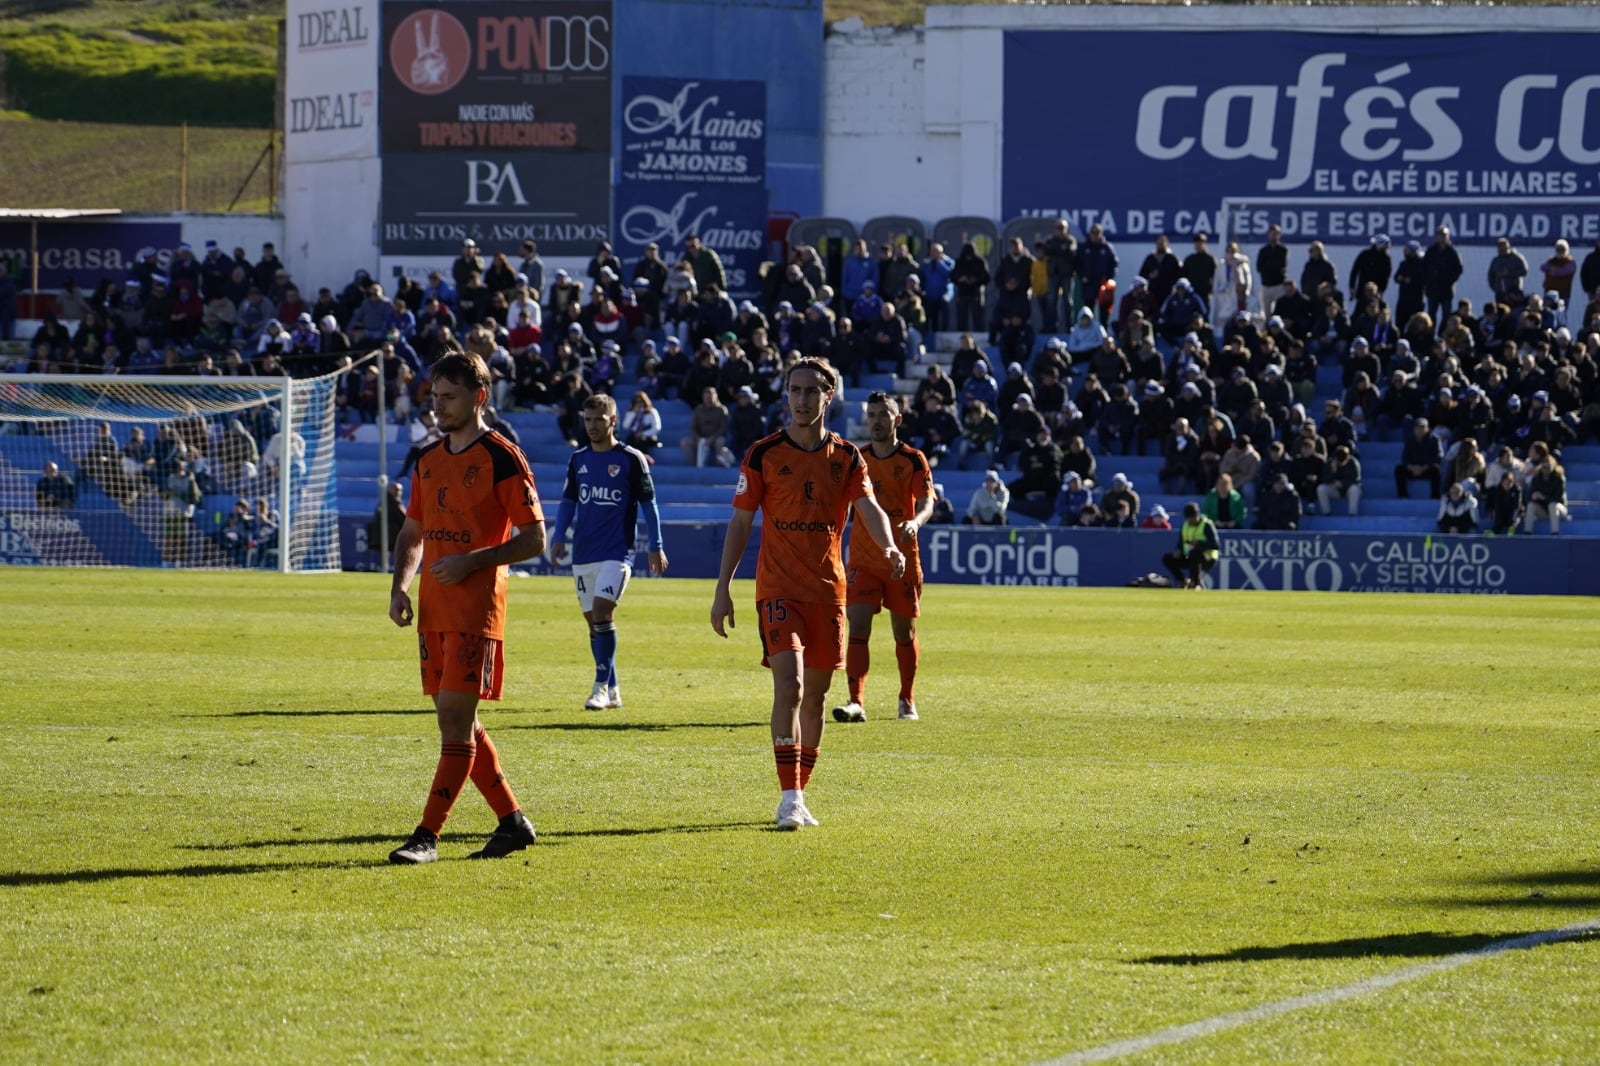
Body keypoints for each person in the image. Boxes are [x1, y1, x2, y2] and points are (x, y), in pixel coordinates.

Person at [710, 358, 905, 831]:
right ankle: (788, 797)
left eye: (810, 391)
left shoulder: (847, 457)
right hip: (778, 590)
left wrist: (889, 544)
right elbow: (740, 523)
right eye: (793, 391)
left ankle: (801, 790)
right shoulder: (763, 454)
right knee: (791, 686)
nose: (800, 400)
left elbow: (869, 507)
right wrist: (723, 589)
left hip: (828, 592)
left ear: (828, 396)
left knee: (816, 697)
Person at [385, 352, 547, 865]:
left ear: (479, 397)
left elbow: (535, 538)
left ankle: (427, 836)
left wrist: (475, 560)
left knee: (456, 720)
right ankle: (512, 821)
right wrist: (400, 586)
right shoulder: (428, 460)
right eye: (434, 397)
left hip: (478, 611)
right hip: (434, 610)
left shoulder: (503, 457)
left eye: (448, 397)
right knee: (456, 722)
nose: (438, 407)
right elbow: (413, 530)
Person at [550, 394, 668, 711]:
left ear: (613, 420)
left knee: (602, 612)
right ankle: (613, 688)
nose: (592, 426)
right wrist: (559, 535)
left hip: (618, 553)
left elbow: (649, 505)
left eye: (598, 420)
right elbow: (568, 502)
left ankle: (599, 687)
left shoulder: (631, 459)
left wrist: (656, 546)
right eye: (587, 420)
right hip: (583, 554)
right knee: (594, 625)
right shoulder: (578, 460)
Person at [833, 392, 934, 724]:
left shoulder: (913, 459)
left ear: (897, 419)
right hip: (863, 560)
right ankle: (856, 701)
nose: (876, 420)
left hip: (902, 560)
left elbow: (927, 501)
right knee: (858, 624)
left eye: (883, 414)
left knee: (903, 632)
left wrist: (915, 522)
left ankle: (906, 699)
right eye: (872, 414)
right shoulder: (855, 459)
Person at [1162, 501, 1220, 589]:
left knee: (1194, 553)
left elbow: (1215, 545)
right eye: (1189, 519)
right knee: (1167, 558)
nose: (1191, 521)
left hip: (1207, 558)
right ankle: (1182, 580)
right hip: (1189, 557)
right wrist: (1178, 550)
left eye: (1193, 518)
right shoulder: (1184, 526)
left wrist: (1199, 544)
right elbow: (1180, 543)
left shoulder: (1206, 525)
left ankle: (1196, 584)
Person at [367, 481, 407, 565]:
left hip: (383, 533)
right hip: (392, 533)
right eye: (396, 490)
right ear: (390, 490)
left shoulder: (384, 501)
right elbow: (405, 518)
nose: (399, 492)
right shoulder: (394, 503)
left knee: (387, 549)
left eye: (400, 490)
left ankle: (385, 566)